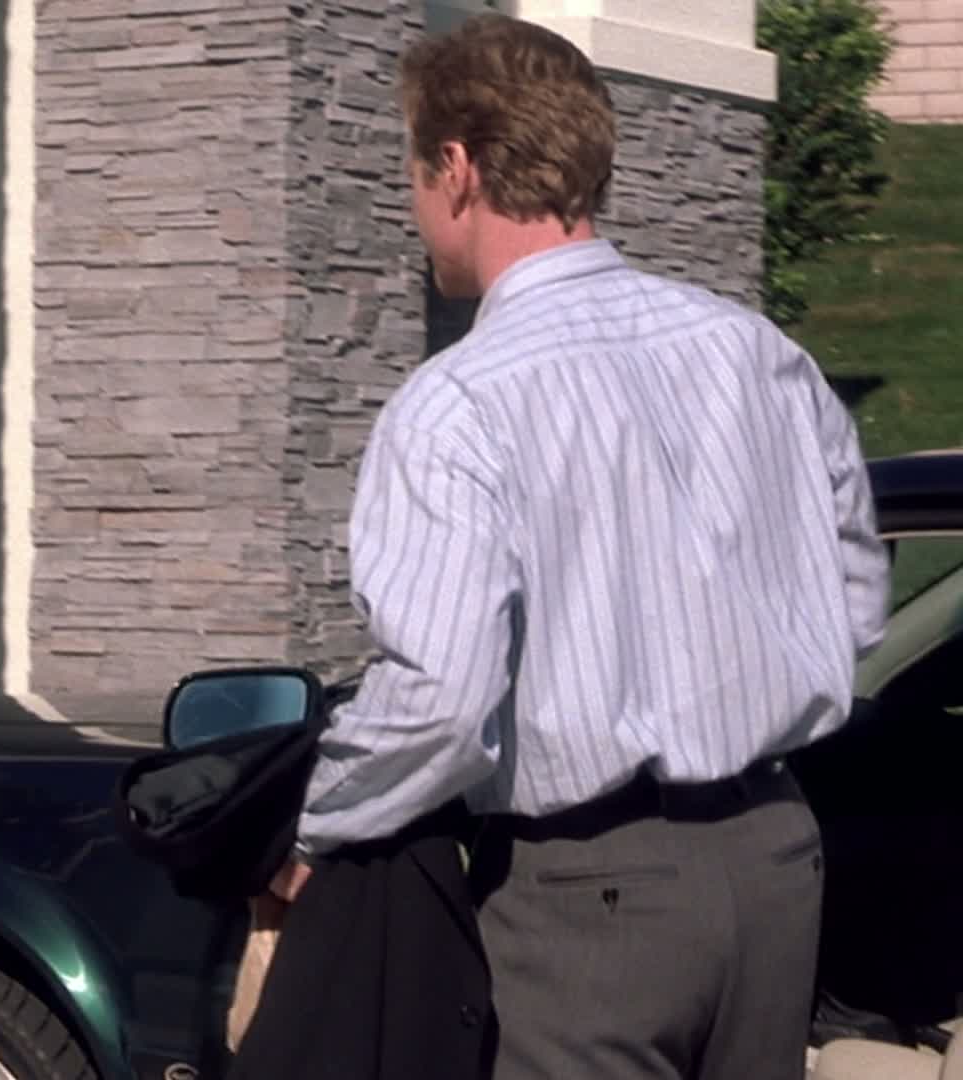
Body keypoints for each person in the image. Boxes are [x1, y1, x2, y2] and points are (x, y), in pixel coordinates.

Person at [251, 13, 891, 1080]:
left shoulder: (458, 404)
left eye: (413, 173)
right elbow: (857, 601)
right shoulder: (759, 355)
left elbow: (441, 699)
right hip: (776, 859)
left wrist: (310, 824)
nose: (413, 207)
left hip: (590, 898)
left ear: (458, 168)